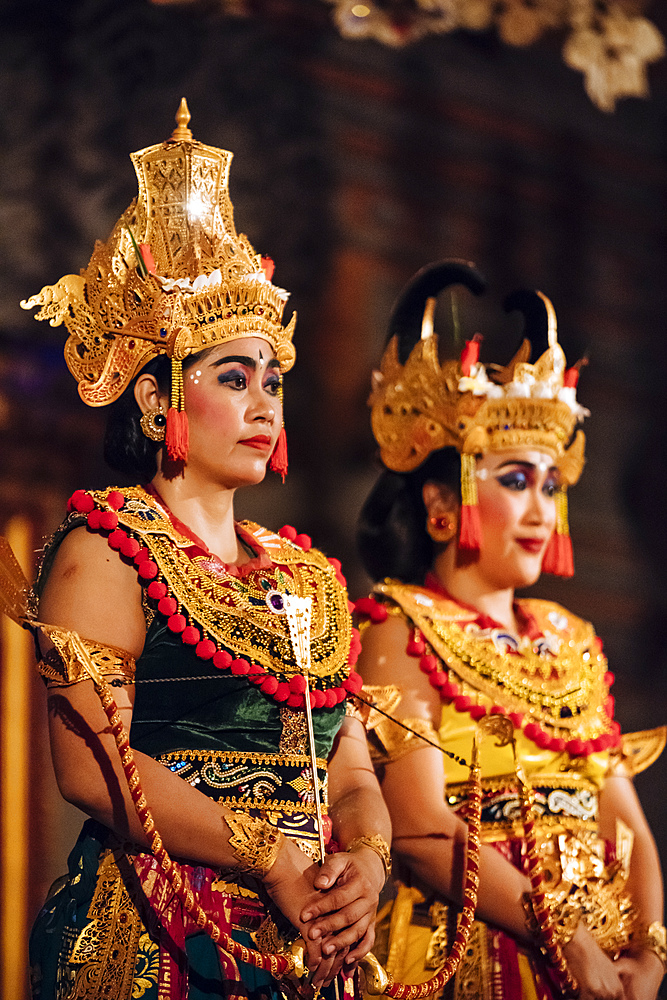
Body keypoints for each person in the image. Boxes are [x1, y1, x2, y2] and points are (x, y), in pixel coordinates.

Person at [18, 100, 391, 1000]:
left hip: (309, 928)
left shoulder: (308, 573)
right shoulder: (106, 543)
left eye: (273, 380)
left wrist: (366, 868)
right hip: (156, 931)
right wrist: (270, 857)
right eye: (233, 378)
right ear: (155, 400)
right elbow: (91, 770)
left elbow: (347, 765)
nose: (265, 404)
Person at [354, 260, 666, 1000]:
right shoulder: (401, 628)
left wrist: (650, 953)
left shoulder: (570, 636)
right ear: (441, 497)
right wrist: (560, 936)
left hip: (603, 960)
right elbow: (423, 831)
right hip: (472, 948)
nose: (541, 510)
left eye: (551, 485)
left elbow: (624, 820)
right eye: (515, 480)